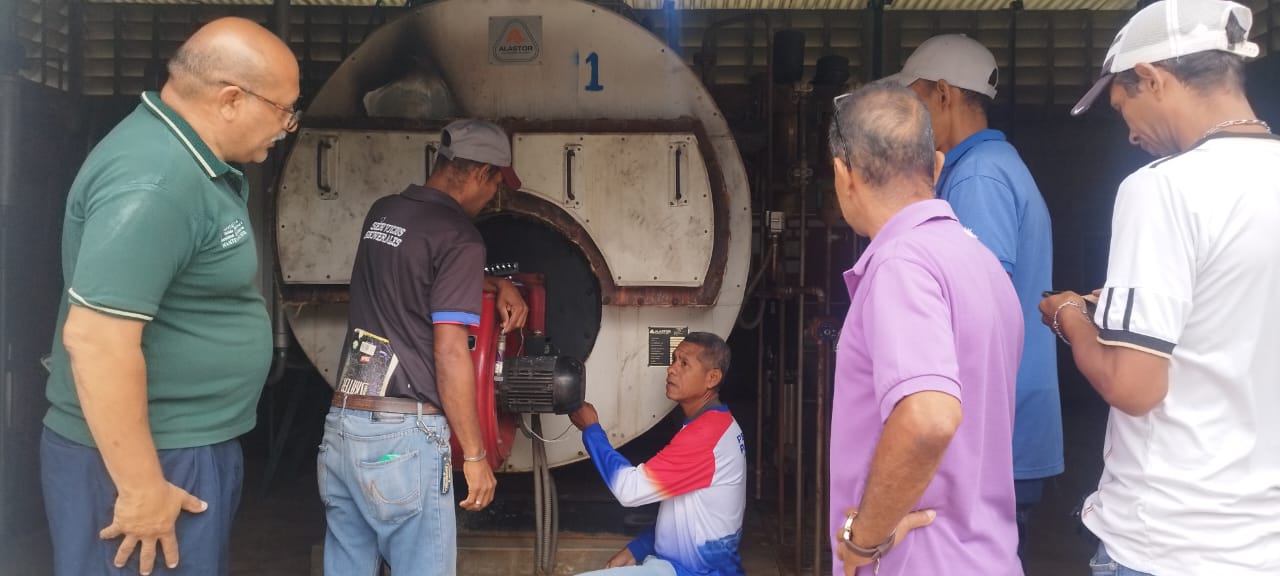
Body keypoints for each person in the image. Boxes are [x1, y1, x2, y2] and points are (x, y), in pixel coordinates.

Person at [38, 17, 299, 576]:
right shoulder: (156, 180)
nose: (287, 126)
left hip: (181, 446)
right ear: (231, 99)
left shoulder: (187, 163)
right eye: (284, 110)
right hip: (146, 460)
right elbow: (97, 341)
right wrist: (140, 489)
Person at [1044, 0, 1280, 574]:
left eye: (1123, 106)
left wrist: (1069, 314)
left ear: (1151, 78)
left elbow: (1133, 385)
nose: (1129, 134)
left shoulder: (1162, 188)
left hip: (1170, 537)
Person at [826, 82, 1024, 576]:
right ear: (936, 167)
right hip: (988, 557)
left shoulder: (901, 265)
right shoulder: (980, 261)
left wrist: (864, 540)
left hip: (920, 562)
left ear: (843, 176)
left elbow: (929, 416)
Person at [319, 118, 528, 575]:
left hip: (344, 424)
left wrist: (493, 283)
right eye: (495, 184)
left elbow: (415, 270)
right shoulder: (460, 237)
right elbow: (450, 351)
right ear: (481, 173)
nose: (492, 196)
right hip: (403, 439)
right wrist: (475, 455)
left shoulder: (383, 213)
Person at [884, 33, 1063, 558]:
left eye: (914, 98)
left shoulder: (977, 176)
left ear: (943, 93)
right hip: (1008, 417)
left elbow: (974, 309)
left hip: (994, 428)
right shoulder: (991, 165)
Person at [569, 332, 746, 576]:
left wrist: (591, 430)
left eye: (684, 363)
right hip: (680, 567)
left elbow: (629, 489)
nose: (671, 369)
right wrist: (639, 547)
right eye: (673, 360)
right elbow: (690, 515)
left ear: (712, 378)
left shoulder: (706, 435)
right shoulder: (718, 424)